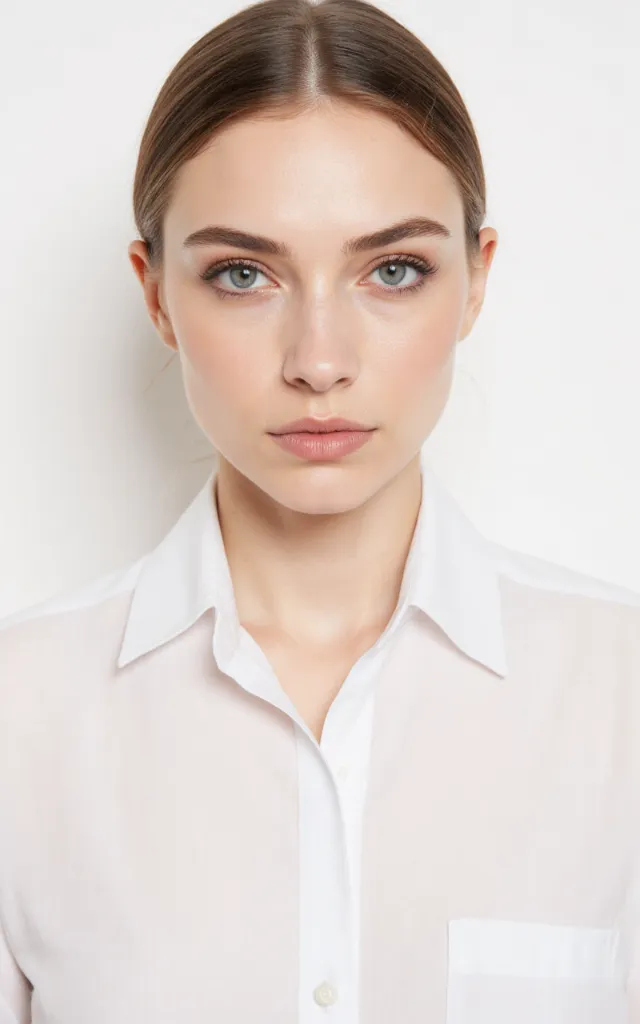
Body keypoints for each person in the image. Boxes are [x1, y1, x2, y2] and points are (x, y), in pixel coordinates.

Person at [1, 0, 639, 1021]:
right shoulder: (18, 718)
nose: (319, 362)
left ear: (474, 281)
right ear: (157, 293)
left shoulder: (621, 700)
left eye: (393, 270)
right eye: (241, 274)